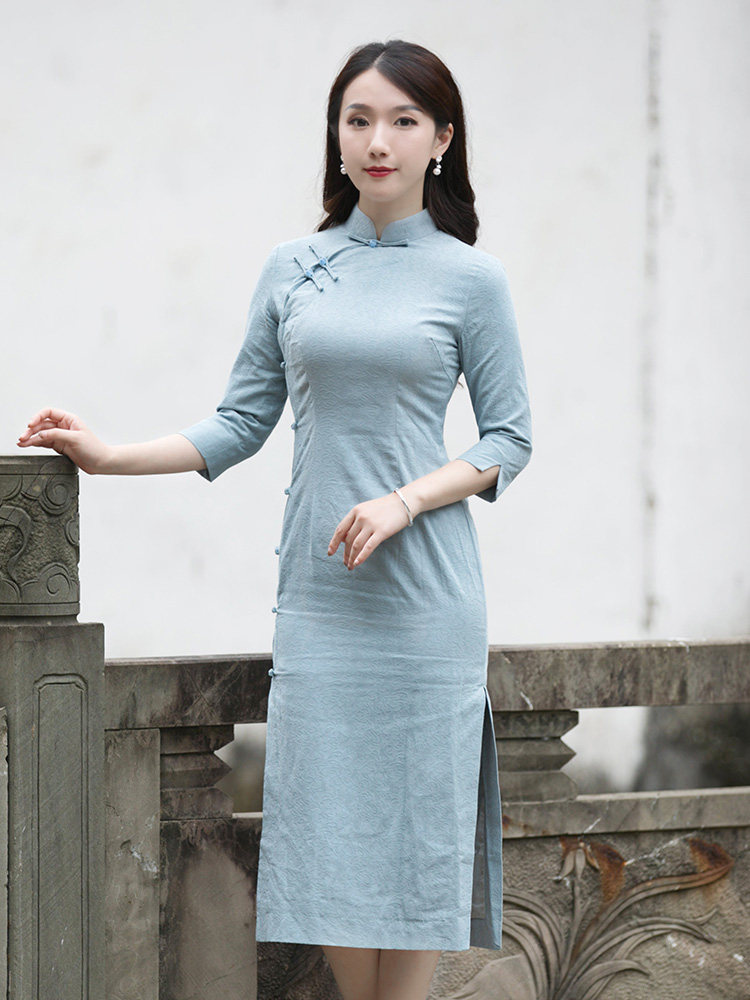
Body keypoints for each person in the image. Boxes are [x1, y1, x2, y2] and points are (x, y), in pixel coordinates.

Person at [17, 38, 532, 1000]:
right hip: (322, 602)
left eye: (403, 121)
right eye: (358, 119)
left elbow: (510, 438)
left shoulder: (473, 279)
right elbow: (241, 420)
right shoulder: (294, 268)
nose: (378, 141)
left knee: (412, 856)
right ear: (336, 137)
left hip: (428, 611)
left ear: (441, 140)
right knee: (329, 850)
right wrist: (109, 453)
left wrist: (406, 499)